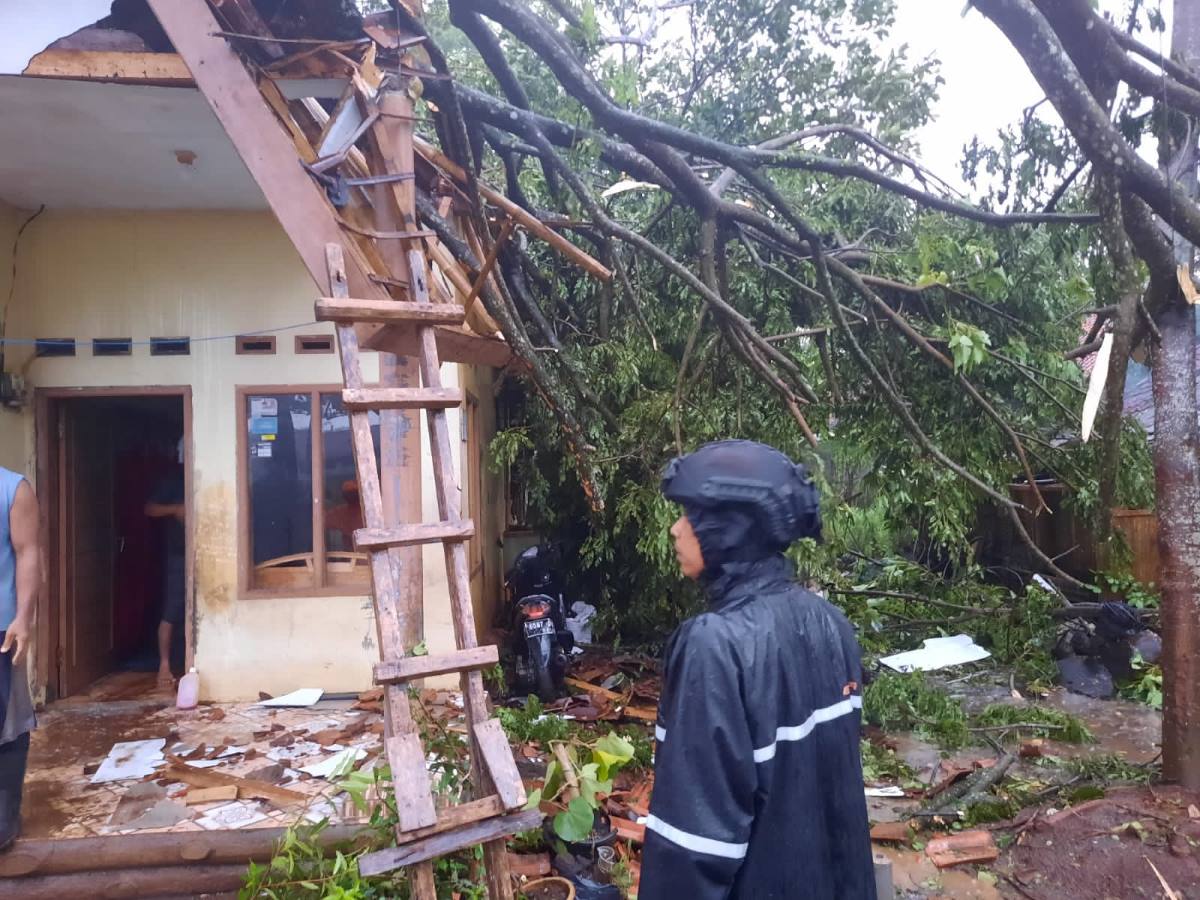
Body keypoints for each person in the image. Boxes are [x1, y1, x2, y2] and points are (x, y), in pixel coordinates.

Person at [640, 440, 875, 899]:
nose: (675, 529)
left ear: (728, 528)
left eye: (688, 515)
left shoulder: (714, 645)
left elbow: (694, 843)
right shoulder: (832, 624)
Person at [0, 465, 37, 850]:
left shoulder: (13, 489)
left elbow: (27, 552)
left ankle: (4, 820)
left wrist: (23, 618)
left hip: (2, 629)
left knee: (7, 719)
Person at [144, 438, 185, 689]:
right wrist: (175, 509)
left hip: (207, 554)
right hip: (178, 555)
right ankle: (164, 665)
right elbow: (149, 508)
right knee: (172, 610)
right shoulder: (172, 480)